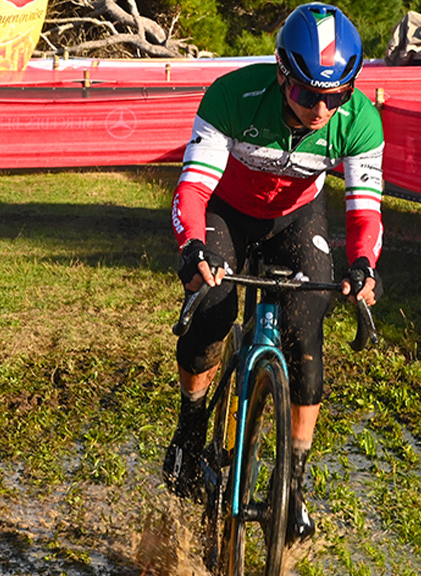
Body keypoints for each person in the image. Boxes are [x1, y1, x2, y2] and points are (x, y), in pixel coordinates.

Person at [164, 2, 383, 544]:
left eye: (337, 96)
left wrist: (362, 266)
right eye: (308, 94)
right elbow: (193, 189)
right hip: (227, 211)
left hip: (296, 218)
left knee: (306, 330)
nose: (322, 109)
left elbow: (365, 212)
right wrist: (193, 249)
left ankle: (294, 486)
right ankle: (191, 430)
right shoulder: (232, 97)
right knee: (212, 312)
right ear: (283, 76)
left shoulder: (360, 120)